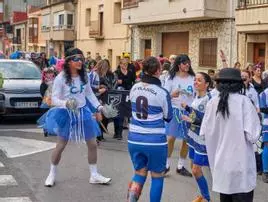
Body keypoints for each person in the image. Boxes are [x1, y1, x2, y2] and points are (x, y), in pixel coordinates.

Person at [38, 48, 112, 187]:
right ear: (68, 61)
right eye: (76, 59)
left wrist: (100, 108)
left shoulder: (84, 75)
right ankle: (52, 173)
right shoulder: (61, 77)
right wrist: (66, 103)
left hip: (83, 112)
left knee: (92, 144)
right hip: (66, 114)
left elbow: (89, 94)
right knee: (61, 145)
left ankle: (94, 175)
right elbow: (53, 99)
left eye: (82, 59)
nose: (80, 62)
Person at [201, 68, 261, 202]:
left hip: (221, 164)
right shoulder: (244, 102)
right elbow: (253, 135)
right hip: (241, 164)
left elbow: (204, 132)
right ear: (239, 84)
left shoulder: (212, 103)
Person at [127, 56, 173, 202]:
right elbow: (168, 117)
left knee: (139, 172)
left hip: (134, 137)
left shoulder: (134, 87)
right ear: (158, 71)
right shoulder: (162, 92)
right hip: (155, 140)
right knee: (157, 175)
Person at [181, 72, 213, 202]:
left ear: (207, 84)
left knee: (196, 169)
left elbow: (208, 120)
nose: (195, 82)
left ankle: (206, 197)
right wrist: (188, 108)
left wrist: (191, 120)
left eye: (199, 80)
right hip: (193, 136)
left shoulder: (210, 99)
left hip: (202, 139)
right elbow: (196, 114)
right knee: (195, 167)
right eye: (195, 80)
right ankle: (203, 194)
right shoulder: (196, 95)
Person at [164, 54, 195, 177]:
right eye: (184, 63)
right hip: (175, 110)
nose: (187, 65)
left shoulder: (193, 78)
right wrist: (172, 94)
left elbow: (198, 94)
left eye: (188, 63)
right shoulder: (171, 78)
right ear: (178, 65)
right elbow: (165, 96)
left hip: (188, 111)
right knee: (171, 138)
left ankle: (180, 166)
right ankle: (166, 165)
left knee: (186, 140)